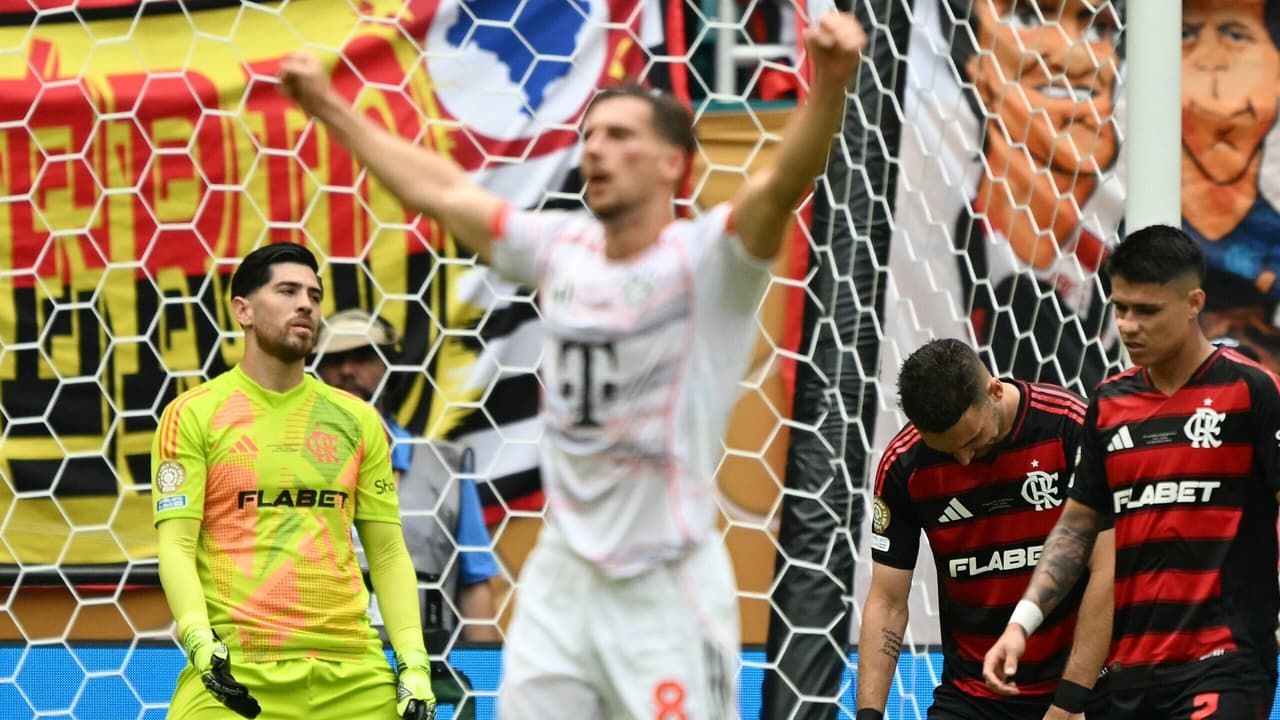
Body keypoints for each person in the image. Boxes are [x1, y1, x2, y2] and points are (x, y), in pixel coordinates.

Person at [278, 10, 866, 717]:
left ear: (672, 162)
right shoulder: (561, 248)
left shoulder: (708, 261)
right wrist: (329, 107)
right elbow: (442, 191)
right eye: (588, 136)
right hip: (562, 580)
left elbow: (780, 184)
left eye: (620, 136)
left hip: (665, 586)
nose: (595, 150)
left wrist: (830, 85)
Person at [984, 224, 1280, 718]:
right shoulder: (1107, 403)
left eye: (1147, 311)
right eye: (1120, 308)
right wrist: (1021, 624)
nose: (1128, 325)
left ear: (1194, 303)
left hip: (1224, 658)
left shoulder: (1253, 392)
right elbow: (1078, 527)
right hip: (1131, 668)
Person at [151, 243, 435, 720]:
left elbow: (386, 551)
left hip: (356, 676)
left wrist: (413, 663)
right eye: (287, 290)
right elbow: (176, 545)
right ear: (242, 309)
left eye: (314, 294)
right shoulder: (193, 414)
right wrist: (199, 639)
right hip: (235, 671)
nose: (306, 303)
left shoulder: (358, 419)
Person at [857, 339, 1113, 720]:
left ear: (994, 390)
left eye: (973, 441)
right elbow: (887, 602)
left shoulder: (1070, 428)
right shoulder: (904, 465)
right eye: (947, 450)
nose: (963, 458)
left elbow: (1107, 573)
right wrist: (869, 715)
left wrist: (1069, 702)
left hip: (1087, 688)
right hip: (973, 696)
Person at [315, 307, 501, 719]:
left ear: (390, 366)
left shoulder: (445, 466)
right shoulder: (296, 467)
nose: (348, 370)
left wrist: (484, 684)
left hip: (429, 675)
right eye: (333, 359)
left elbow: (474, 579)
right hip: (326, 674)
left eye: (363, 356)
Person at [945, 0, 1121, 393]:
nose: (1075, 57)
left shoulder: (1117, 259)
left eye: (1097, 27)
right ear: (977, 69)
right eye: (1027, 17)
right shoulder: (942, 251)